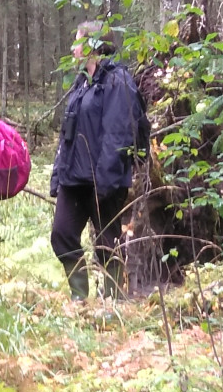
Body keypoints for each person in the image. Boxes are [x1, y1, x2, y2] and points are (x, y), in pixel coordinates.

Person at [50, 21, 151, 300]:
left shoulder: (117, 81)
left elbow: (118, 134)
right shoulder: (82, 83)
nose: (73, 47)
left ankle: (113, 302)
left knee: (107, 244)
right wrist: (58, 176)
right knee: (62, 235)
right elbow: (66, 136)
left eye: (78, 41)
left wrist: (104, 182)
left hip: (103, 181)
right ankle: (80, 297)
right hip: (74, 179)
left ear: (94, 45)